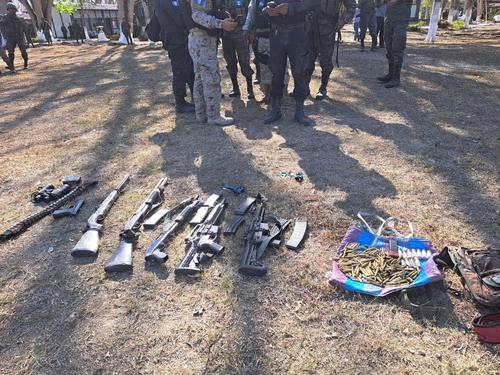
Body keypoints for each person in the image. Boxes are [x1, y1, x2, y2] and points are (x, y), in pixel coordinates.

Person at [263, 0, 321, 126]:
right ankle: (275, 110)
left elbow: (315, 3)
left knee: (299, 72)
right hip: (276, 32)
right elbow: (262, 4)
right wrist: (268, 8)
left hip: (298, 32)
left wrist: (291, 8)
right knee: (276, 72)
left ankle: (300, 111)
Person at [187, 0, 238, 125]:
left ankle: (201, 114)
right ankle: (213, 116)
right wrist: (220, 23)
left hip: (198, 39)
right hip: (202, 40)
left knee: (199, 78)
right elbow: (197, 15)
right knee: (211, 79)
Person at [304, 0, 355, 100]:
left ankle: (323, 88)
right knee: (307, 61)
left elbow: (352, 6)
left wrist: (342, 21)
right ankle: (304, 87)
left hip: (328, 29)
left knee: (325, 61)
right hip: (310, 27)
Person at [154, 0, 195, 113]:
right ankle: (180, 103)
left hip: (180, 40)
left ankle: (195, 98)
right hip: (176, 41)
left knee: (189, 69)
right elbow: (179, 18)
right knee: (179, 72)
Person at [219, 0, 254, 99]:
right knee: (230, 63)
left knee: (245, 61)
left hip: (241, 33)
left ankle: (250, 89)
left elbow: (250, 13)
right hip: (226, 35)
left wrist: (250, 31)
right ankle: (235, 88)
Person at [377, 0, 411, 88]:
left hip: (400, 21)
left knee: (397, 47)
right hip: (389, 20)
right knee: (389, 48)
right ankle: (390, 75)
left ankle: (396, 78)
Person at [1, 3, 28, 72]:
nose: (11, 11)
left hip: (19, 37)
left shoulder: (18, 18)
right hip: (10, 38)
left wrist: (26, 36)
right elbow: (2, 24)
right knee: (10, 53)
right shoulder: (5, 18)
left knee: (23, 51)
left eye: (12, 9)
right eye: (9, 9)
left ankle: (26, 64)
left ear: (15, 10)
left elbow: (25, 28)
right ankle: (12, 67)